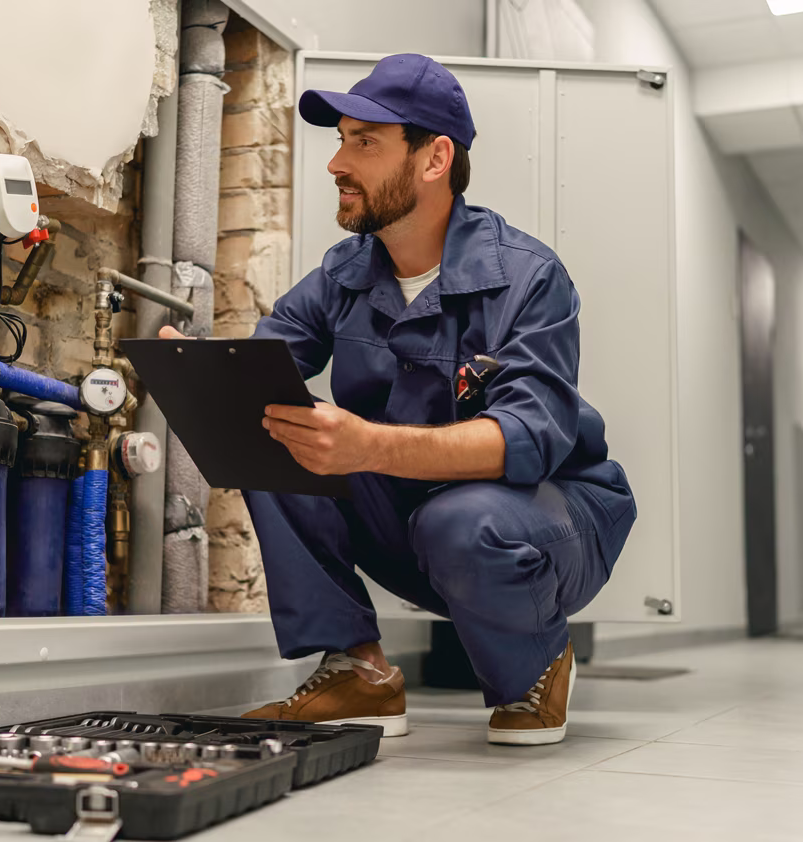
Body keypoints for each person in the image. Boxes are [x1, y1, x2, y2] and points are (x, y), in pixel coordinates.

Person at [160, 53, 635, 746]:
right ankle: (358, 670)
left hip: (551, 520)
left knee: (462, 519)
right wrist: (201, 374)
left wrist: (370, 445)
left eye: (365, 143)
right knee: (275, 430)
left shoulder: (529, 278)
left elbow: (528, 436)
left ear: (434, 159)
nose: (337, 164)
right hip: (418, 517)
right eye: (341, 140)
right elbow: (266, 372)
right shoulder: (344, 273)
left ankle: (536, 667)